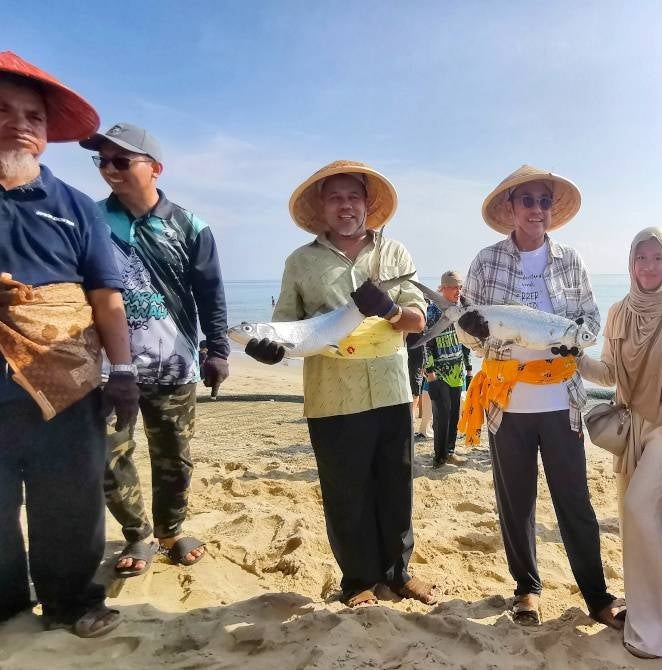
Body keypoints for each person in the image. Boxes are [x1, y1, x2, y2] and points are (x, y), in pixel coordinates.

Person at [243, 160, 437, 608]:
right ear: (322, 207)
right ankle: (359, 582)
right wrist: (267, 349)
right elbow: (285, 329)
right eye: (335, 197)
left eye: (353, 197)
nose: (345, 205)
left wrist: (388, 309)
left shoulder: (395, 254)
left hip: (391, 388)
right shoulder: (300, 261)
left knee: (396, 485)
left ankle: (399, 574)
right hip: (330, 392)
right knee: (346, 491)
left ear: (368, 205)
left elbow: (418, 319)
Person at [0, 51, 139, 637]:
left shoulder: (77, 209)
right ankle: (5, 602)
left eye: (33, 115)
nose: (20, 124)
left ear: (47, 134)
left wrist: (125, 371)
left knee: (70, 500)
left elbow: (106, 298)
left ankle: (72, 601)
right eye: (3, 111)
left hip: (68, 379)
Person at [458, 164, 623, 628]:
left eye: (544, 201)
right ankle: (526, 589)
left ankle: (597, 595)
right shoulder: (486, 262)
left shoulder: (571, 260)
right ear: (510, 208)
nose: (537, 209)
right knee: (516, 501)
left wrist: (573, 338)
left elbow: (591, 322)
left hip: (561, 404)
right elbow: (470, 331)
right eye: (527, 201)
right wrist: (469, 331)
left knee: (575, 499)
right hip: (505, 403)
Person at [79, 122, 230, 576]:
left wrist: (217, 349)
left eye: (121, 160)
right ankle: (136, 535)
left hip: (175, 366)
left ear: (155, 169)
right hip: (105, 368)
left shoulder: (189, 227)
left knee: (174, 456)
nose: (109, 169)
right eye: (102, 160)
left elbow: (210, 293)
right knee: (109, 457)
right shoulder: (89, 220)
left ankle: (170, 530)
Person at [576, 228, 662, 658]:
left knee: (639, 511)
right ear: (630, 263)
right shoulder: (617, 312)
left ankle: (660, 626)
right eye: (641, 258)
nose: (648, 266)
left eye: (657, 258)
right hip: (630, 429)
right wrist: (573, 356)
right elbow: (608, 374)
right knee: (636, 526)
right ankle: (645, 619)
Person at [424, 270, 472, 468]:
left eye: (460, 287)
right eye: (454, 287)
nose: (458, 291)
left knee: (454, 415)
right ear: (443, 288)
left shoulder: (461, 309)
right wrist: (431, 374)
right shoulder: (433, 311)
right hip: (440, 374)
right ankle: (439, 456)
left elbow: (466, 341)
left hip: (457, 371)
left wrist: (469, 369)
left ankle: (450, 451)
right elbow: (426, 344)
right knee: (441, 416)